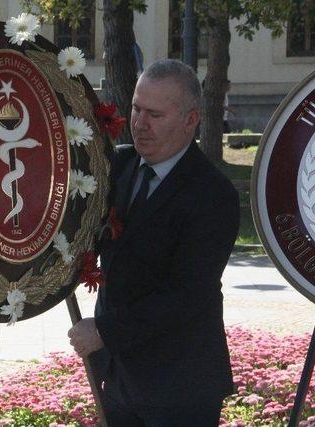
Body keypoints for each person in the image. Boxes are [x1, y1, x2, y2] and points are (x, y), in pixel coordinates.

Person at [69, 59, 239, 426]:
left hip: (179, 387)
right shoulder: (118, 166)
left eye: (155, 115)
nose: (139, 124)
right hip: (119, 379)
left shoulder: (212, 194)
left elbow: (186, 294)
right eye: (136, 109)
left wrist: (104, 332)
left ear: (191, 120)